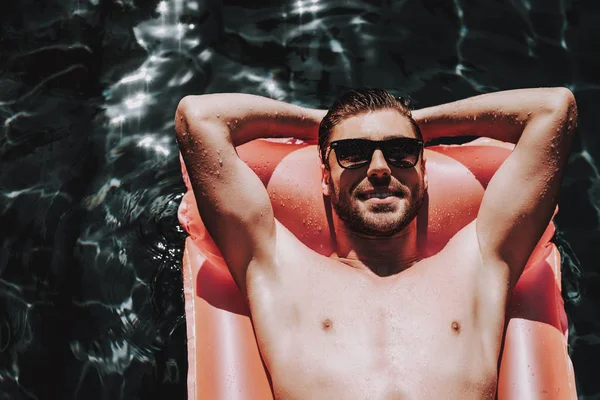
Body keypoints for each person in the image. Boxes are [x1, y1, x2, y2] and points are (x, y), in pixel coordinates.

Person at [175, 87, 577, 399]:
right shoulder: (275, 265)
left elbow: (554, 109)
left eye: (401, 151)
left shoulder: (481, 259)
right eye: (353, 153)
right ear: (324, 177)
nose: (381, 169)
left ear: (424, 168)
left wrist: (418, 123)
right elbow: (199, 117)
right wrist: (325, 123)